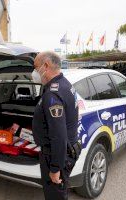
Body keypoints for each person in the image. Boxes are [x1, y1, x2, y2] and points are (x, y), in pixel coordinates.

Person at [32, 51, 79, 200]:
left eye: (35, 67)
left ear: (45, 66)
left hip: (56, 156)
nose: (33, 72)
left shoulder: (53, 95)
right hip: (65, 152)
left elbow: (58, 136)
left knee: (55, 196)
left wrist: (55, 168)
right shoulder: (64, 84)